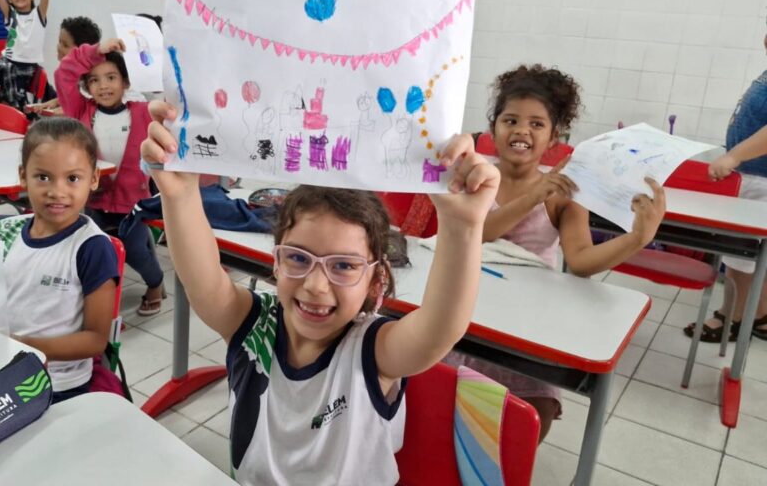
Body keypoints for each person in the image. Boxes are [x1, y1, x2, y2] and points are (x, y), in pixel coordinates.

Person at [141, 99, 499, 484]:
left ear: (375, 281)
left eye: (343, 266)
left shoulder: (372, 351)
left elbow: (439, 328)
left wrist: (462, 227)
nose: (314, 285)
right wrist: (178, 195)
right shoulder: (253, 326)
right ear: (275, 261)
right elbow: (202, 277)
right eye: (298, 258)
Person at [460, 64, 666, 441]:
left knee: (525, 426)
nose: (522, 130)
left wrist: (636, 238)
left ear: (555, 138)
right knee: (446, 401)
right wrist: (534, 195)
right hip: (468, 308)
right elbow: (475, 233)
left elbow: (583, 261)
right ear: (493, 129)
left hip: (528, 320)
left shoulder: (565, 192)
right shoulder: (475, 174)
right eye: (511, 120)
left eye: (537, 124)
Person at [0, 117, 119, 403]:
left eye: (72, 178)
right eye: (43, 177)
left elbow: (95, 339)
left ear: (93, 179)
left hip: (56, 384)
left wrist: (27, 348)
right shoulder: (2, 232)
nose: (57, 191)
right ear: (22, 176)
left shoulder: (91, 248)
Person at [55, 38, 165, 315]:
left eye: (111, 77)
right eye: (94, 80)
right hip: (93, 198)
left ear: (126, 82)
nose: (103, 86)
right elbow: (63, 74)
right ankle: (102, 303)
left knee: (136, 251)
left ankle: (156, 283)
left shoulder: (141, 112)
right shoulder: (81, 111)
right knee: (96, 251)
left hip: (133, 201)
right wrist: (94, 51)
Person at [686, 25, 767, 342]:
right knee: (757, 254)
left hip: (759, 179)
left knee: (740, 253)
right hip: (752, 175)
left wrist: (733, 157)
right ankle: (760, 315)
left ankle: (730, 317)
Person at [25, 16, 102, 116]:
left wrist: (64, 110)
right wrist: (53, 103)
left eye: (65, 45)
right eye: (59, 42)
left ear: (82, 52)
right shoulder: (69, 74)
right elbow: (71, 97)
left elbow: (83, 106)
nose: (59, 48)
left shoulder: (91, 80)